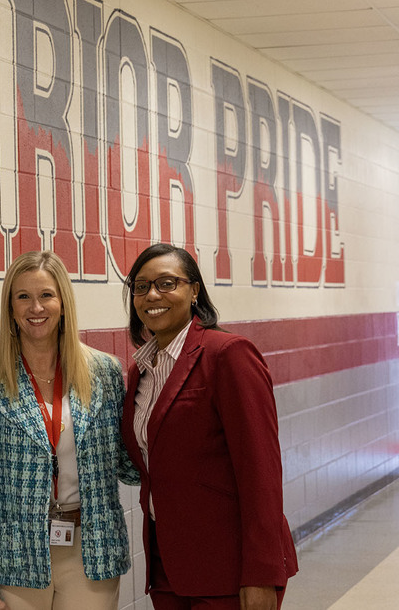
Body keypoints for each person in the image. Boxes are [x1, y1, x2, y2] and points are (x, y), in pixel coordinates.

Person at [0, 250, 139, 610]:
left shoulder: (105, 373)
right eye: (23, 297)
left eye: (46, 295)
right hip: (14, 560)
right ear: (10, 307)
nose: (35, 308)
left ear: (63, 303)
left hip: (91, 552)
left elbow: (127, 464)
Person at [120, 243, 298, 610]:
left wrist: (261, 574)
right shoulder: (142, 371)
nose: (152, 294)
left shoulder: (228, 354)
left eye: (167, 283)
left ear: (194, 290)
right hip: (168, 565)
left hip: (228, 568)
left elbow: (261, 472)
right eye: (141, 286)